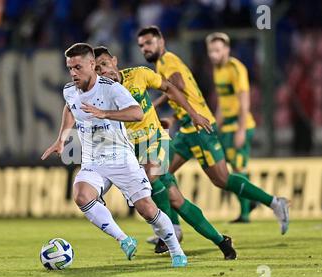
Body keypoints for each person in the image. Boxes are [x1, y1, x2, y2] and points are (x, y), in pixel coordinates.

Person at [41, 43, 187, 267]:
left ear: (92, 64)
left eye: (78, 67)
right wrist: (62, 138)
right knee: (81, 195)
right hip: (93, 161)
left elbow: (137, 113)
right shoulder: (69, 90)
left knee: (147, 209)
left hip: (120, 157)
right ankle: (124, 239)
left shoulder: (111, 88)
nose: (73, 72)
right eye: (70, 68)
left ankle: (176, 251)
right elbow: (70, 107)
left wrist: (104, 113)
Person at [136, 26, 290, 235]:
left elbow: (177, 86)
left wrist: (155, 104)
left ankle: (274, 202)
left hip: (199, 128)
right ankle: (171, 231)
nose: (145, 48)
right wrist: (173, 116)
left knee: (222, 179)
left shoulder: (167, 61)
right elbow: (184, 93)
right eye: (141, 46)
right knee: (160, 172)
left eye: (149, 43)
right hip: (188, 128)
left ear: (161, 41)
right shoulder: (165, 63)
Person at [93, 45, 237, 260]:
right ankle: (221, 240)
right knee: (176, 200)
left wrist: (194, 114)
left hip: (156, 140)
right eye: (97, 69)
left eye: (104, 64)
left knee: (149, 179)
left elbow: (170, 88)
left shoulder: (139, 74)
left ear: (114, 61)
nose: (103, 71)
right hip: (133, 150)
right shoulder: (100, 95)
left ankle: (168, 235)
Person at [206, 32, 258, 223]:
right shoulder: (217, 69)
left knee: (237, 167)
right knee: (226, 173)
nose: (213, 54)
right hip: (226, 126)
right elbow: (222, 101)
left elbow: (244, 101)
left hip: (239, 125)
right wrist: (215, 126)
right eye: (211, 50)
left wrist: (241, 130)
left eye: (217, 50)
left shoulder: (236, 68)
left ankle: (245, 213)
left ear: (226, 50)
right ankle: (251, 199)